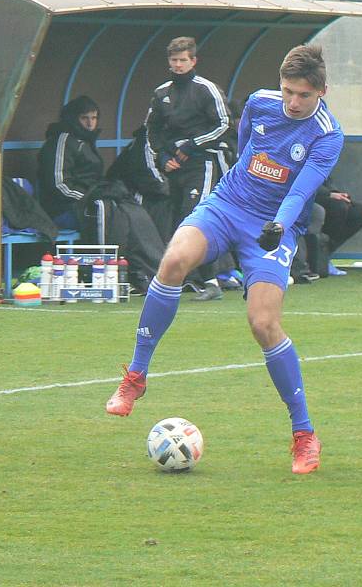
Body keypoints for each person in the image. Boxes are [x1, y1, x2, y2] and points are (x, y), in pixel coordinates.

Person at [106, 44, 345, 475]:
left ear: (323, 92)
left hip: (275, 225)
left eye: (304, 96)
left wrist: (279, 224)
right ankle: (136, 377)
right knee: (174, 261)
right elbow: (245, 146)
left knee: (264, 324)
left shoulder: (328, 134)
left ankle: (304, 434)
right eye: (288, 91)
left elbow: (300, 190)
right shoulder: (259, 102)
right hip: (228, 204)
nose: (293, 102)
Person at [37, 95, 165, 293]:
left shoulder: (85, 141)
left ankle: (148, 273)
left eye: (94, 118)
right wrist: (89, 198)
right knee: (108, 210)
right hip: (63, 208)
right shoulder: (62, 140)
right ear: (73, 118)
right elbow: (59, 184)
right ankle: (106, 274)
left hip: (89, 201)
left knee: (130, 209)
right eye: (84, 118)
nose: (90, 123)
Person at [145, 36, 232, 301]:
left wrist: (191, 146)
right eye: (174, 60)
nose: (179, 65)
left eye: (183, 60)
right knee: (175, 220)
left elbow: (224, 125)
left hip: (202, 163)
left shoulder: (206, 89)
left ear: (193, 61)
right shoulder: (162, 93)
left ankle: (212, 280)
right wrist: (163, 159)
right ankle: (184, 279)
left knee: (194, 219)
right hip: (175, 167)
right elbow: (151, 130)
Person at [315, 179, 362, 276]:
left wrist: (336, 193)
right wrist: (328, 194)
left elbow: (326, 179)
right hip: (302, 198)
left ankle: (325, 254)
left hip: (322, 194)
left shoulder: (321, 163)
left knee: (360, 211)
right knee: (338, 207)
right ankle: (319, 257)